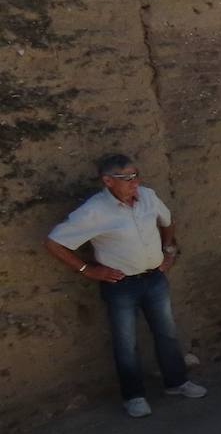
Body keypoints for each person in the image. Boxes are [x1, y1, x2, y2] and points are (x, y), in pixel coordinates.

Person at [45, 153, 206, 418]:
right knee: (126, 342)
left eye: (136, 175)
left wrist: (169, 250)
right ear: (108, 181)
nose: (134, 182)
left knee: (166, 333)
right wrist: (88, 270)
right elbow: (53, 242)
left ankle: (177, 383)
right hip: (120, 285)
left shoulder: (148, 197)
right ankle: (134, 396)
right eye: (126, 178)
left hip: (154, 277)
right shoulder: (94, 211)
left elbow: (167, 221)